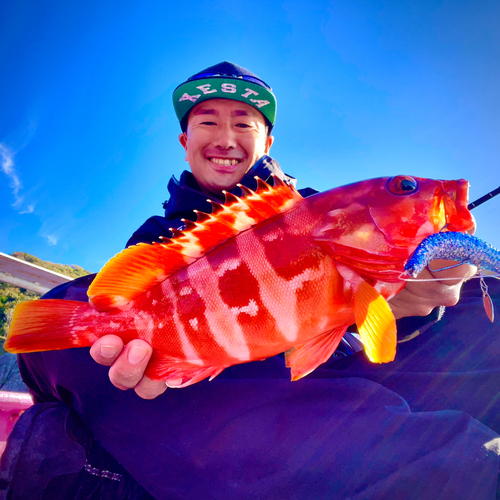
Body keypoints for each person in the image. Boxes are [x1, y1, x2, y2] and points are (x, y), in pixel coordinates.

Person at [1, 62, 499, 500]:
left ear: (267, 142)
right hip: (232, 390)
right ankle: (447, 472)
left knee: (489, 299)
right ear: (185, 140)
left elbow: (373, 333)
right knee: (71, 303)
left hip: (332, 382)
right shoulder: (153, 240)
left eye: (244, 123)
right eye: (208, 121)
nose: (225, 137)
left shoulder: (313, 210)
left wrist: (424, 301)